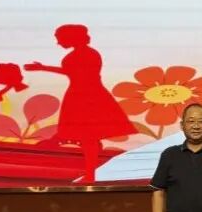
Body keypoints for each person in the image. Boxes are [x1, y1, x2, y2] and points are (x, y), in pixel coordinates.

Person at [24, 24, 135, 181]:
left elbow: (81, 74)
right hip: (80, 94)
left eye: (60, 39)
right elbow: (72, 72)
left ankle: (91, 175)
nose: (58, 43)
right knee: (86, 137)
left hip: (87, 96)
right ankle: (90, 174)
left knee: (89, 136)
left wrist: (44, 68)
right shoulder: (82, 53)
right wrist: (43, 68)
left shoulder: (88, 54)